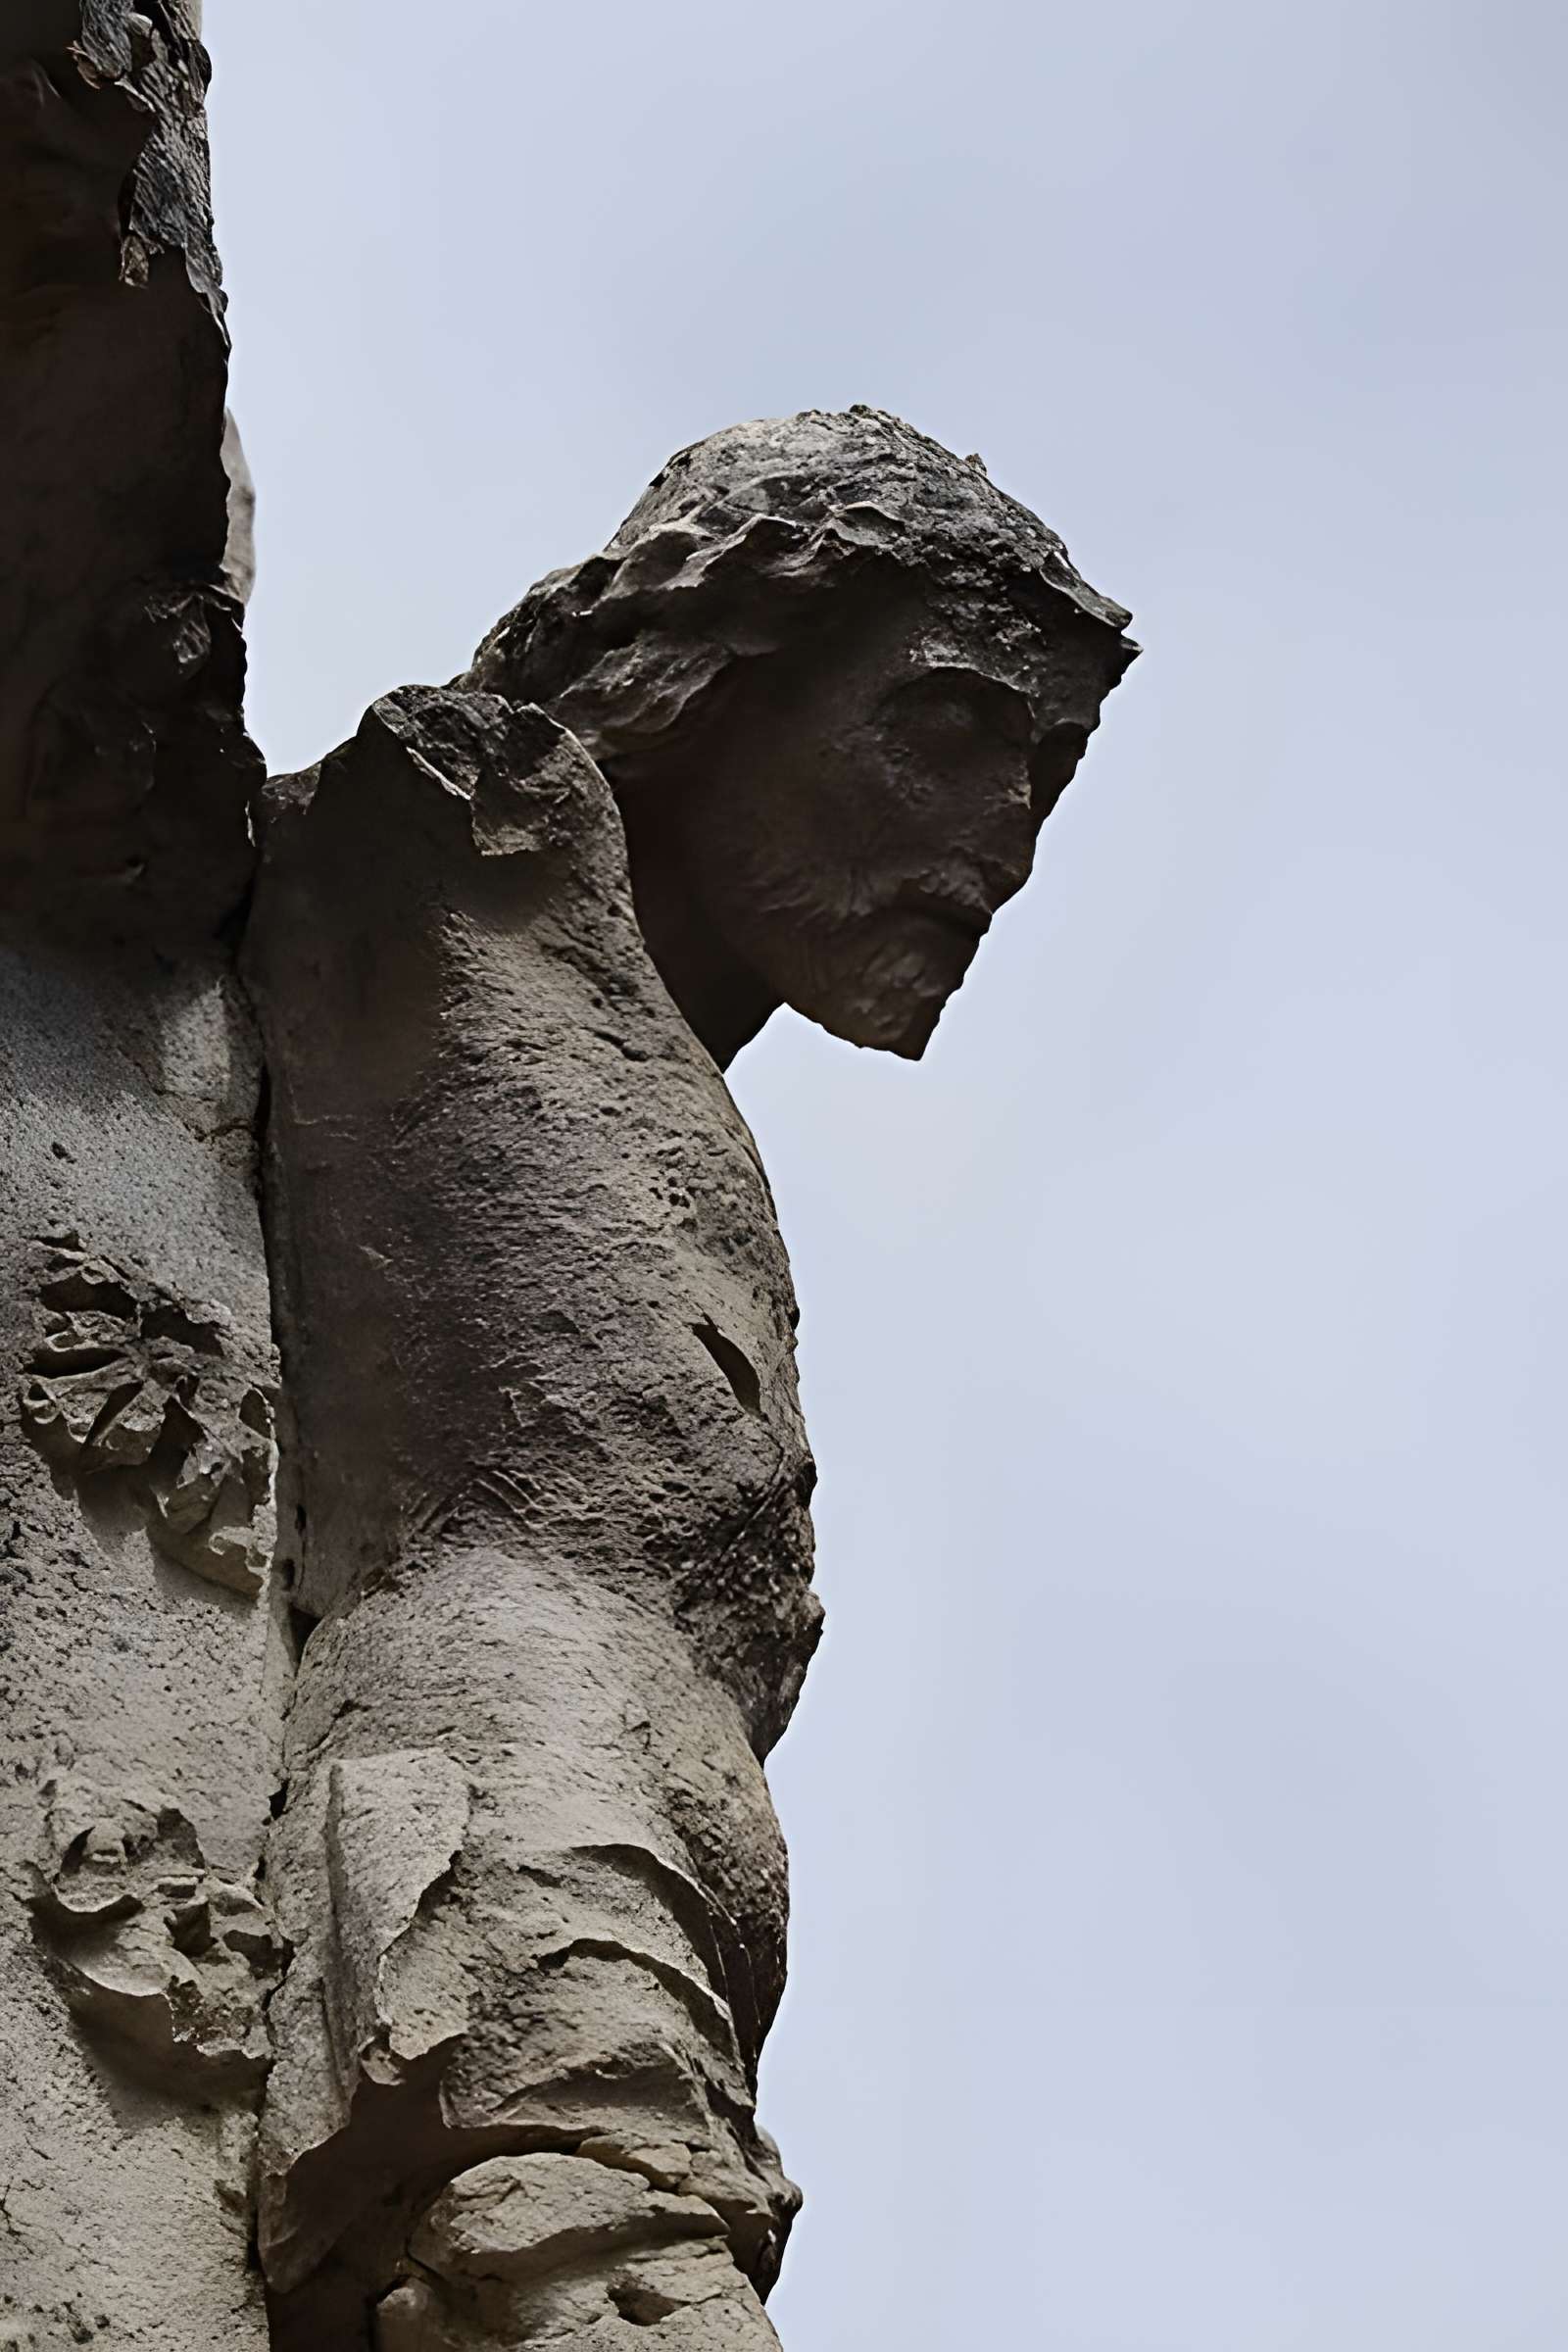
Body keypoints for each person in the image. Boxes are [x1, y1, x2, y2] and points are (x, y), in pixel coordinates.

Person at [246, 409, 1133, 2347]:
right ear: (716, 679)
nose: (997, 846)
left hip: (666, 1850)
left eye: (1046, 775)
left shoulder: (656, 1070)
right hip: (501, 1794)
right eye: (948, 729)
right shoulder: (456, 842)